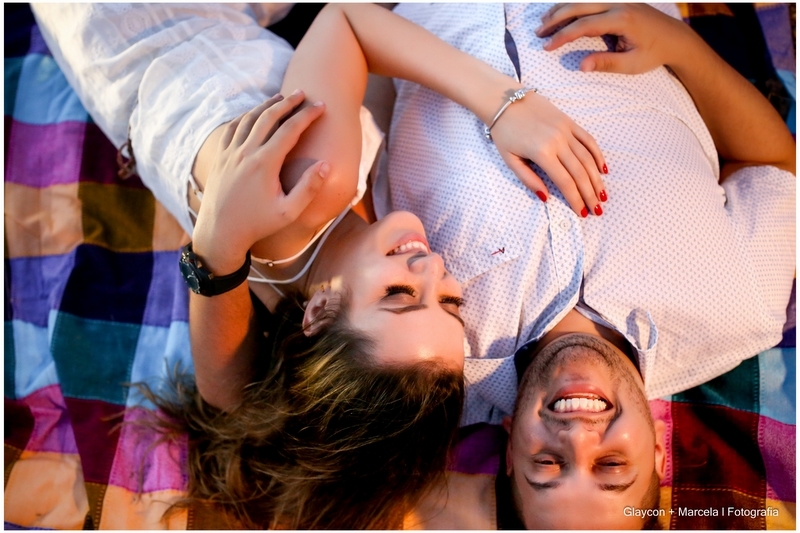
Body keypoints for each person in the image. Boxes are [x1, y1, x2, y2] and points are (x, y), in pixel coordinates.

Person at [30, 3, 610, 528]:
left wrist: (503, 103)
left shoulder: (315, 184)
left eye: (400, 296)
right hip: (128, 62)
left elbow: (345, 20)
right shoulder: (292, 286)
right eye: (450, 303)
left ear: (323, 311)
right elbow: (227, 400)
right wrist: (216, 247)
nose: (432, 269)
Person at [385, 3, 794, 529]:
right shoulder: (741, 307)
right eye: (612, 465)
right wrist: (680, 46)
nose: (578, 436)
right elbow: (772, 163)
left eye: (546, 465)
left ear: (509, 454)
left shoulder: (431, 354)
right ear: (657, 450)